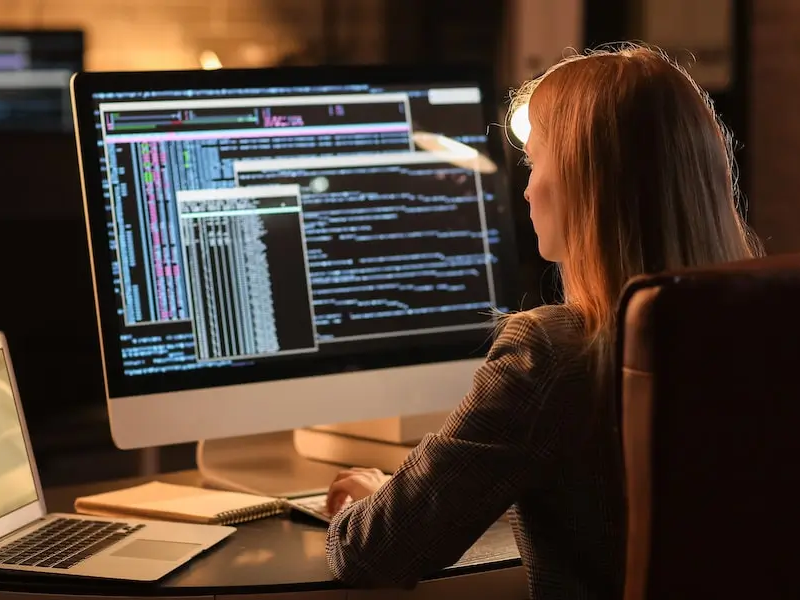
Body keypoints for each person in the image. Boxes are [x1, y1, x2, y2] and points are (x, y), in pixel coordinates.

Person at [323, 43, 764, 599]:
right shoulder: (769, 329)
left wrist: (364, 500)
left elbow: (377, 552)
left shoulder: (553, 353)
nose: (527, 189)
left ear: (585, 184)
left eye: (536, 163)